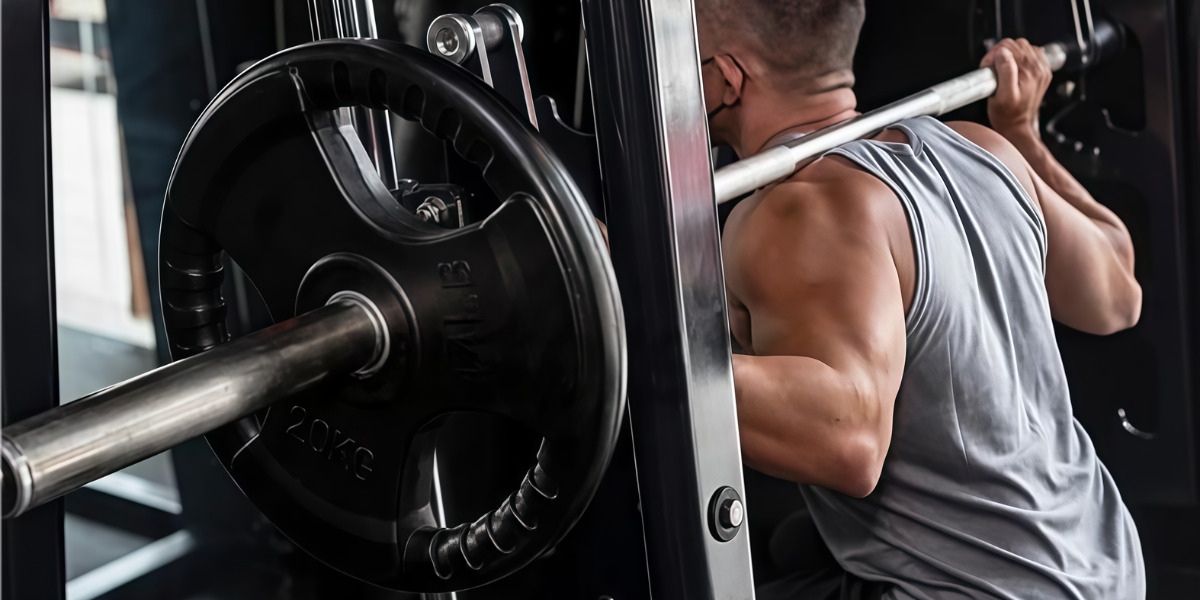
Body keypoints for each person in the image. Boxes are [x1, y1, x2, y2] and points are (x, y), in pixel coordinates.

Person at [697, 1, 1145, 598]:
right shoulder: (982, 148)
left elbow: (849, 442)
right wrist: (1024, 136)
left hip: (982, 593)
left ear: (727, 78)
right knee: (792, 548)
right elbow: (1116, 289)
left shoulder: (793, 211)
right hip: (1104, 566)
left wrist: (637, 329)